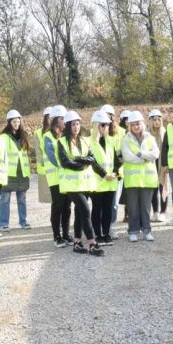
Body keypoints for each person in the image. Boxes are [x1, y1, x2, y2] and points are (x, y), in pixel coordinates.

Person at [57, 111, 104, 256]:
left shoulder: (84, 141)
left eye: (77, 124)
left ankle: (77, 243)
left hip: (83, 184)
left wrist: (103, 174)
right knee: (85, 210)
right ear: (67, 126)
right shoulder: (61, 142)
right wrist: (84, 163)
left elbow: (92, 159)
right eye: (73, 124)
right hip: (71, 186)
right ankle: (92, 244)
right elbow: (66, 163)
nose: (76, 127)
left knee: (79, 213)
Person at [122, 110, 160, 242]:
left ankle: (147, 231)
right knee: (133, 207)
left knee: (145, 207)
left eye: (138, 124)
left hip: (147, 180)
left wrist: (140, 154)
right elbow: (127, 157)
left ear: (142, 124)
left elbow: (155, 154)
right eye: (133, 125)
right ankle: (133, 231)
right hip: (132, 180)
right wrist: (145, 157)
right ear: (130, 126)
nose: (136, 127)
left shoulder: (150, 138)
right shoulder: (126, 139)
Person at [89, 110, 121, 245]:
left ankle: (106, 233)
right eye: (103, 125)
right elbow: (91, 161)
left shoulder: (110, 141)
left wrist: (114, 172)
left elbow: (117, 160)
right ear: (96, 125)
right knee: (97, 209)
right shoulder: (89, 142)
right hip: (97, 183)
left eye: (107, 125)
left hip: (110, 182)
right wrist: (104, 174)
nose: (106, 127)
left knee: (108, 209)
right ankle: (98, 234)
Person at [43, 106, 73, 247]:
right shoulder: (48, 136)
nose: (64, 121)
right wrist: (63, 165)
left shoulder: (66, 136)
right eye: (62, 119)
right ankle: (57, 236)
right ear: (55, 120)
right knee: (57, 207)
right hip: (55, 178)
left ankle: (66, 234)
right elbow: (51, 156)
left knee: (67, 207)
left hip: (66, 178)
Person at [0, 110, 31, 231]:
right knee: (5, 199)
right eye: (14, 121)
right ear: (9, 122)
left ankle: (23, 221)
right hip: (8, 173)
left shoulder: (24, 136)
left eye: (18, 121)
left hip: (22, 173)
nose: (16, 124)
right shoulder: (3, 137)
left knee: (22, 199)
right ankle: (3, 223)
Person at [148, 109, 168, 222]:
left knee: (163, 188)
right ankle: (155, 212)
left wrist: (167, 164)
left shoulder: (165, 132)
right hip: (151, 164)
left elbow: (168, 149)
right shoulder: (146, 133)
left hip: (162, 164)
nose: (156, 122)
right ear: (150, 120)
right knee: (153, 190)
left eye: (158, 119)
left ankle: (163, 212)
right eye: (154, 119)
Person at [34, 106, 54, 204]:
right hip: (44, 167)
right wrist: (43, 162)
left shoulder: (59, 132)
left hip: (56, 167)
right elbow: (38, 150)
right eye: (48, 117)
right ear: (45, 118)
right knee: (47, 197)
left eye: (52, 117)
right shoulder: (38, 133)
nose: (50, 119)